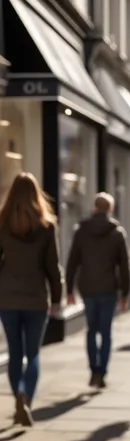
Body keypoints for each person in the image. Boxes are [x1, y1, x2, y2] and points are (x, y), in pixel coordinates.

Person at [0, 172, 63, 426]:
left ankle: (18, 397)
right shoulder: (46, 226)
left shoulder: (2, 223)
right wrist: (57, 298)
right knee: (33, 354)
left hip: (7, 299)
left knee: (15, 353)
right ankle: (25, 398)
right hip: (36, 298)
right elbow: (53, 266)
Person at [66, 192, 130, 388]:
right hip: (108, 289)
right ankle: (101, 372)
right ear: (109, 209)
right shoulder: (117, 233)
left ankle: (93, 369)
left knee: (90, 330)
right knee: (105, 332)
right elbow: (125, 266)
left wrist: (68, 290)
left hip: (87, 288)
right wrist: (125, 293)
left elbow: (72, 263)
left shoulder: (81, 231)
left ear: (95, 208)